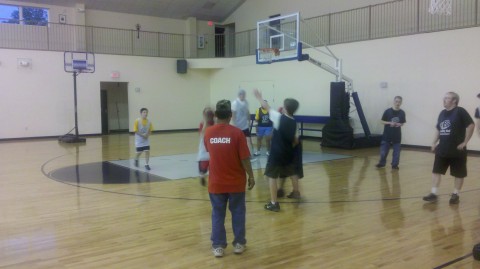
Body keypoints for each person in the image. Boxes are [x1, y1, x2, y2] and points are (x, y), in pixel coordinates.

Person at [204, 99, 255, 257]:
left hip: (216, 183)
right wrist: (251, 176)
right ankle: (239, 244)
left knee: (217, 214)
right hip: (235, 183)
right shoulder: (237, 133)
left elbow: (209, 150)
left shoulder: (209, 133)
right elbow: (245, 158)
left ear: (217, 115)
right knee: (238, 213)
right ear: (230, 115)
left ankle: (218, 246)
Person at [423, 92, 475, 204]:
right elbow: (438, 129)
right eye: (444, 98)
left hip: (457, 150)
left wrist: (465, 142)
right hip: (442, 149)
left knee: (459, 173)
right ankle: (433, 193)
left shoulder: (460, 111)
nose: (444, 100)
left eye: (447, 98)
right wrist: (433, 142)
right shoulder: (442, 113)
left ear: (454, 101)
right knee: (436, 171)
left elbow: (471, 125)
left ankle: (455, 194)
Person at [253, 89, 300, 212]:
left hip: (277, 154)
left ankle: (274, 203)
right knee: (292, 172)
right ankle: (296, 192)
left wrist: (259, 97)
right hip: (288, 153)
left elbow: (266, 107)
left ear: (285, 108)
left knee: (271, 176)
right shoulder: (295, 123)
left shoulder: (279, 118)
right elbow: (295, 141)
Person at [376, 96, 406, 170]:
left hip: (397, 136)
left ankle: (394, 165)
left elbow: (402, 123)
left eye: (399, 102)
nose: (397, 103)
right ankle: (382, 163)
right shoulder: (387, 111)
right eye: (396, 101)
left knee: (397, 153)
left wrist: (400, 124)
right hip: (387, 135)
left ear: (401, 103)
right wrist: (390, 123)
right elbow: (382, 121)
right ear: (394, 101)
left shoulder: (402, 113)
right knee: (383, 152)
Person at [231, 89, 254, 157]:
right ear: (239, 95)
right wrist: (234, 125)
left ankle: (249, 155)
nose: (243, 96)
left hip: (245, 125)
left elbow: (247, 112)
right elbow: (233, 115)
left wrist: (249, 121)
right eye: (242, 94)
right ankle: (236, 155)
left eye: (244, 95)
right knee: (237, 142)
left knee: (248, 140)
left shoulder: (246, 102)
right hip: (237, 126)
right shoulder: (235, 103)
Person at [197, 107, 215, 186]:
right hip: (204, 147)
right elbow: (202, 134)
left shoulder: (215, 123)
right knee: (203, 168)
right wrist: (205, 121)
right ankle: (202, 176)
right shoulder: (202, 124)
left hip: (213, 146)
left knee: (214, 165)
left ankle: (213, 179)